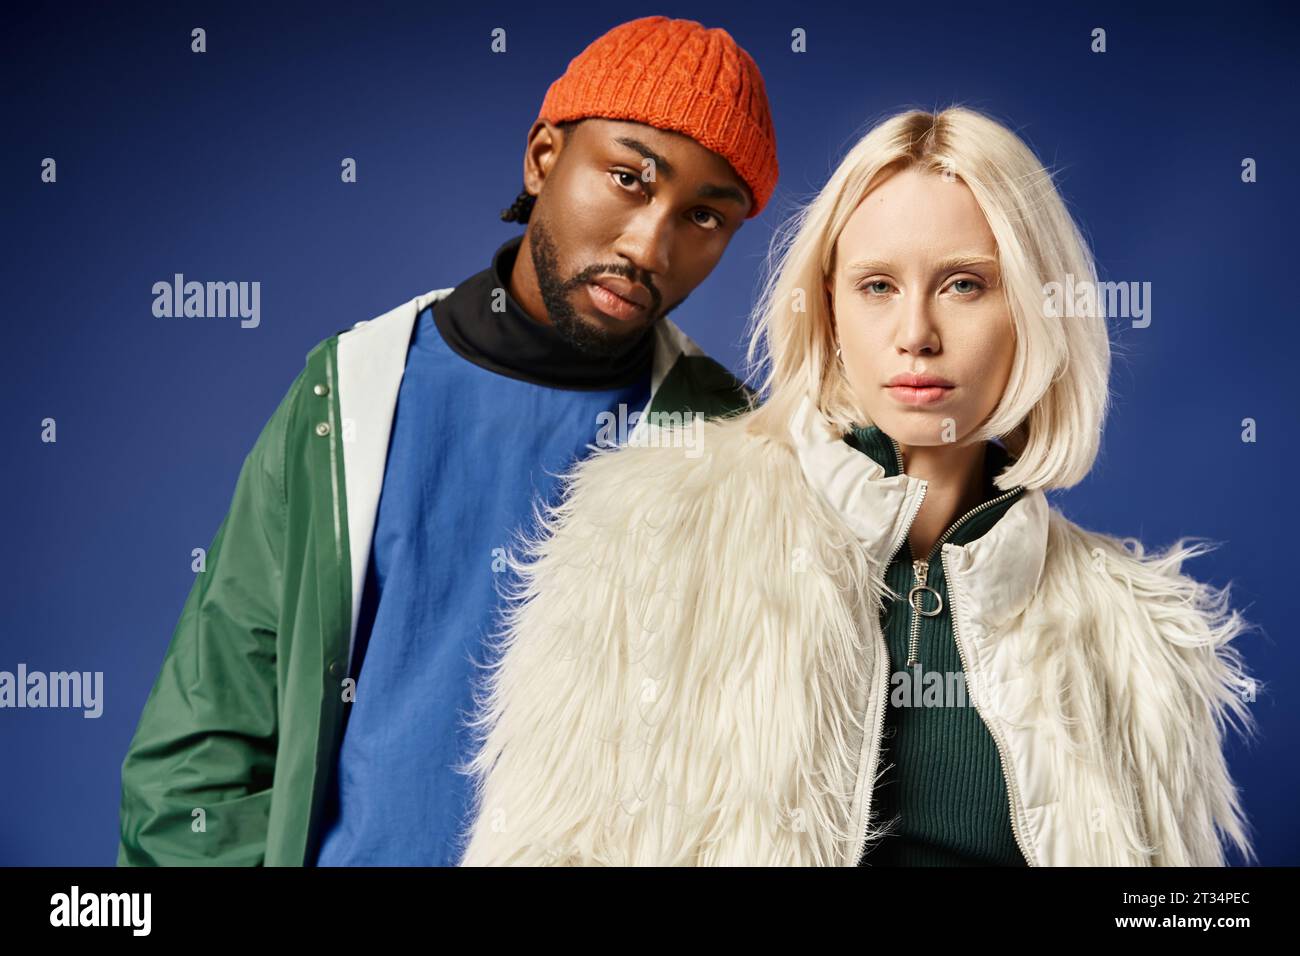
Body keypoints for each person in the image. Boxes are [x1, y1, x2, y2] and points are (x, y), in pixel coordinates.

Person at [455, 106, 1259, 866]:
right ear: (830, 310)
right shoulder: (646, 529)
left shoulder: (1137, 637)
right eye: (878, 286)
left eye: (964, 284)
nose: (916, 335)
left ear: (1039, 310)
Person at [117, 15, 779, 866]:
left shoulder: (736, 444)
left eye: (705, 217)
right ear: (544, 158)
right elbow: (199, 755)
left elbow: (761, 789)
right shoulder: (351, 390)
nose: (650, 244)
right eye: (626, 178)